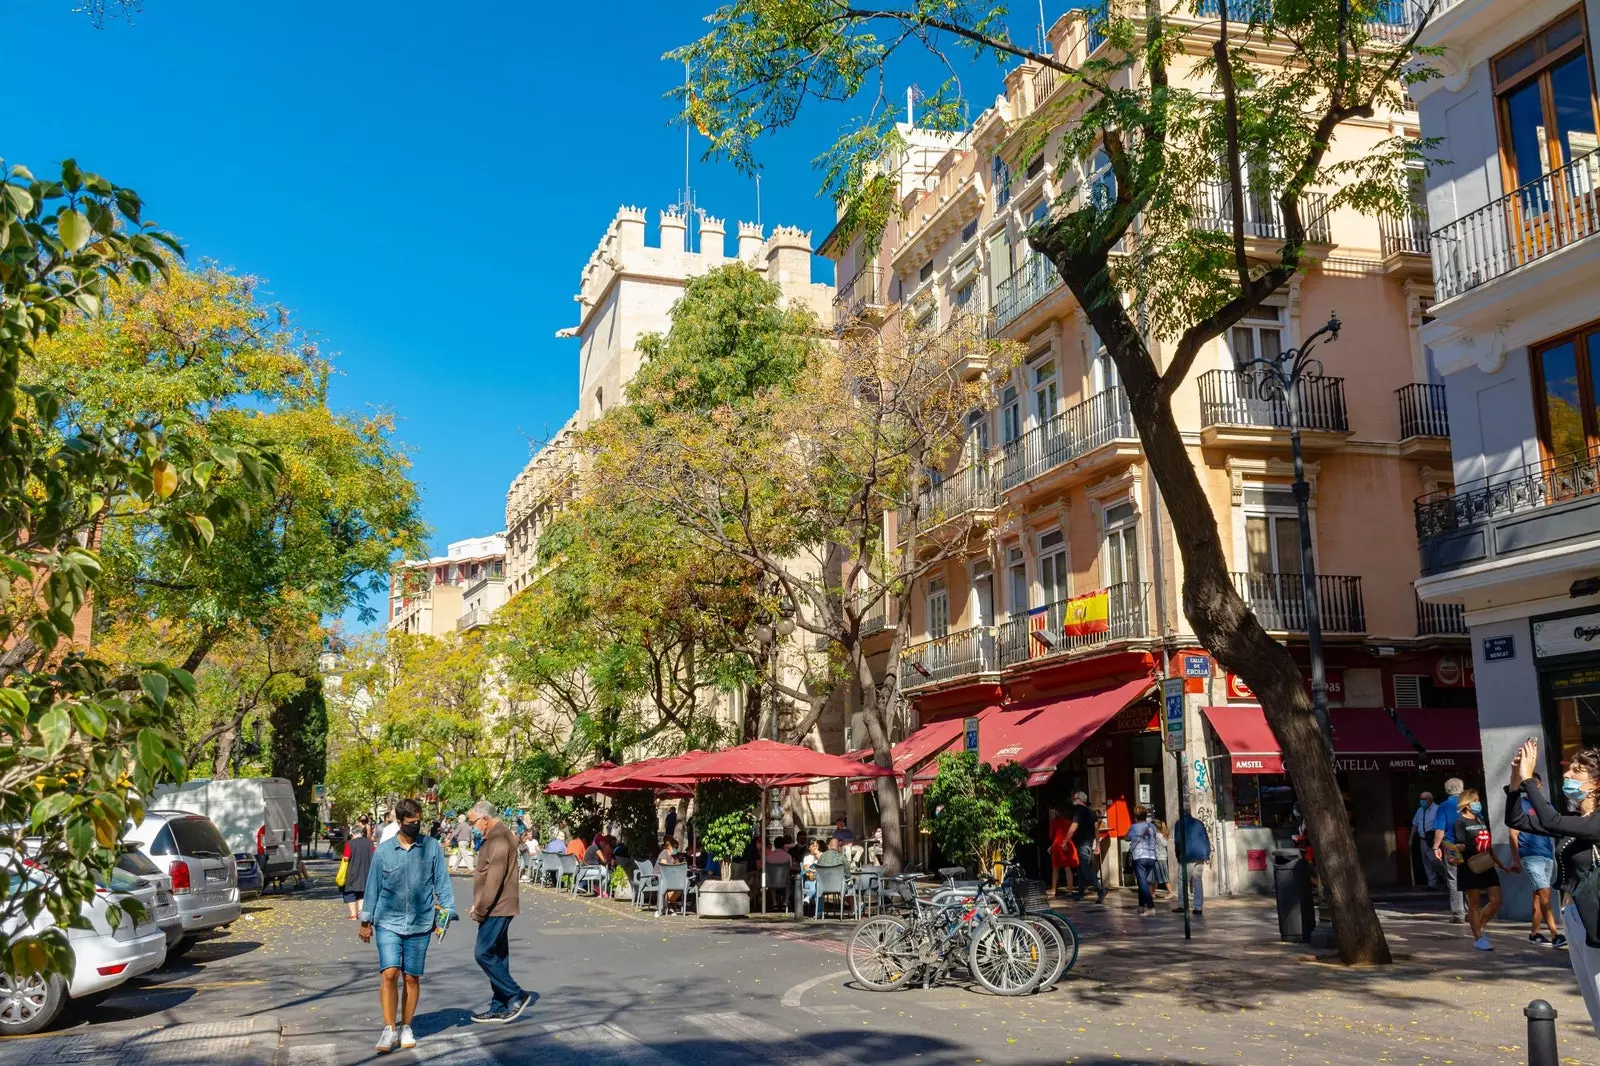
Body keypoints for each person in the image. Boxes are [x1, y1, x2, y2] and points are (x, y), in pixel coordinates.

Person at [1507, 739, 1600, 1032]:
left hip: (1595, 917)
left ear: (1596, 784)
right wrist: (1514, 781)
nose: (1567, 776)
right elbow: (1516, 818)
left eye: (1577, 771)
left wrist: (1528, 781)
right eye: (1569, 769)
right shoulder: (1575, 819)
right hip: (1573, 917)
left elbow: (1550, 819)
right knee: (1594, 1002)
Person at [359, 798, 455, 1054]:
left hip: (420, 922)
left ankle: (407, 1026)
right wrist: (365, 921)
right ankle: (389, 1028)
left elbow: (442, 883)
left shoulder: (431, 848)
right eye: (411, 823)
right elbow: (372, 887)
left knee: (411, 977)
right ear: (399, 822)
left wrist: (447, 912)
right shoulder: (384, 851)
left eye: (418, 822)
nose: (416, 827)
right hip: (388, 921)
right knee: (389, 973)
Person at [466, 801, 530, 1024]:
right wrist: (479, 903)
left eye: (473, 821)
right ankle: (499, 1006)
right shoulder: (495, 836)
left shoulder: (500, 838)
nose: (472, 826)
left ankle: (516, 994)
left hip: (497, 907)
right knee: (498, 956)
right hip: (495, 905)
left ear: (485, 818)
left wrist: (481, 909)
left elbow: (494, 880)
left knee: (482, 952)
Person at [1508, 773, 1564, 947]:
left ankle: (1535, 933)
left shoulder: (1546, 805)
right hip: (1531, 856)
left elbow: (1556, 825)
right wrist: (1516, 859)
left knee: (1538, 896)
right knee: (1545, 894)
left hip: (1548, 854)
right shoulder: (1520, 805)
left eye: (1535, 784)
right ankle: (1556, 934)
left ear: (1540, 786)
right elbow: (1513, 833)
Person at [1450, 788, 1507, 951]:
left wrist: (1500, 863)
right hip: (1470, 865)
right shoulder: (1459, 822)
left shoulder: (1481, 820)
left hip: (1487, 863)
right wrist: (1455, 849)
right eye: (1475, 800)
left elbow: (1488, 845)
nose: (1478, 803)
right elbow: (1458, 843)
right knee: (1474, 902)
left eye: (1478, 800)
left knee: (1496, 900)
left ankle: (1479, 924)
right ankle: (1479, 937)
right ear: (1467, 804)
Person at [1431, 778, 1466, 923]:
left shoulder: (1444, 807)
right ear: (1462, 789)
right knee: (1469, 877)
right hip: (1468, 846)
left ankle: (1459, 913)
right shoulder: (1468, 804)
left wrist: (1436, 847)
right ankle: (1472, 910)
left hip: (1452, 846)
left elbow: (1440, 830)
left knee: (1454, 879)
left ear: (1447, 790)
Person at [1067, 792, 1105, 904]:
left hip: (1082, 843)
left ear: (1080, 800)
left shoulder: (1078, 811)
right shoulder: (1093, 813)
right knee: (1081, 868)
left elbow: (1073, 827)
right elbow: (1096, 830)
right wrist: (1097, 845)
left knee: (1085, 868)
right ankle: (1080, 893)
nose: (1073, 801)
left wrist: (1065, 840)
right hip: (1089, 843)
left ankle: (1100, 889)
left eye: (1075, 798)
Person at [1172, 810, 1211, 916]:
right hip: (1200, 854)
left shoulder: (1179, 823)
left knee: (1183, 880)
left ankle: (1183, 905)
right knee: (1197, 880)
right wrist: (1207, 853)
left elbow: (1178, 841)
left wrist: (1178, 855)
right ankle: (1198, 907)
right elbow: (1205, 838)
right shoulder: (1198, 823)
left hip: (1187, 855)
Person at [1125, 806, 1161, 915]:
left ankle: (1150, 907)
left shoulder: (1134, 827)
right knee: (1142, 881)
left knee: (1142, 882)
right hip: (1151, 857)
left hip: (1139, 856)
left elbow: (1127, 837)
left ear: (1135, 816)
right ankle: (1141, 905)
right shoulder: (1152, 827)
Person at [340, 823, 376, 921]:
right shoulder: (370, 843)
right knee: (362, 892)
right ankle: (360, 911)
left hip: (352, 872)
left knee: (350, 892)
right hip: (366, 871)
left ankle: (353, 914)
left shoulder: (350, 844)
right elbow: (374, 855)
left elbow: (346, 858)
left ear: (352, 833)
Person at [1412, 791, 1440, 888]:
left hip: (1433, 839)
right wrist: (1410, 839)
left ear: (1430, 799)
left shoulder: (1437, 809)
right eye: (1421, 799)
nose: (1422, 801)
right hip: (1423, 839)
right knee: (1426, 862)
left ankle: (1447, 881)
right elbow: (1415, 824)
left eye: (1424, 799)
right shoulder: (1420, 810)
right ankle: (1432, 884)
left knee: (1436, 862)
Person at [1047, 807, 1077, 897]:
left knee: (1055, 868)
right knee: (1068, 868)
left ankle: (1053, 889)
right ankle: (1070, 891)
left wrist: (1052, 845)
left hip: (1058, 844)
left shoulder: (1055, 821)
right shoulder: (1070, 822)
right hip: (1068, 844)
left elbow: (1051, 835)